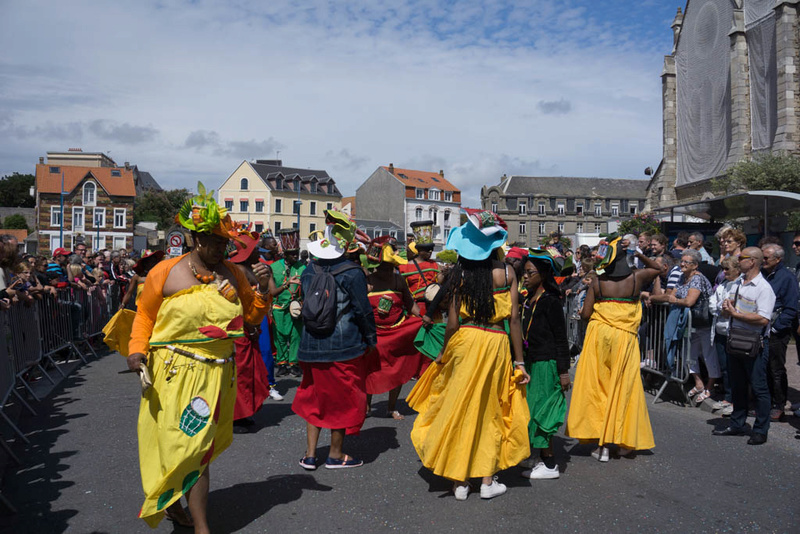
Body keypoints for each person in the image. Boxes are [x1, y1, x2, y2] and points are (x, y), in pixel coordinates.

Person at [126, 184, 271, 531]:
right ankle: (176, 504)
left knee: (199, 447)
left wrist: (263, 290)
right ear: (194, 239)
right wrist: (136, 351)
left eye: (225, 243)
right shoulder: (166, 271)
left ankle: (201, 525)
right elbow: (144, 316)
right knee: (176, 442)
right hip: (173, 372)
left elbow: (251, 317)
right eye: (215, 242)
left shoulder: (233, 273)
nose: (222, 248)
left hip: (217, 374)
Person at [408, 211, 530, 501]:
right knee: (491, 410)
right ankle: (487, 480)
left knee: (459, 406)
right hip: (496, 343)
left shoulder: (460, 275)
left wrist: (442, 352)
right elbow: (514, 319)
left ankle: (459, 480)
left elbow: (452, 323)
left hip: (466, 340)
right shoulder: (508, 272)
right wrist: (520, 360)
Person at [293, 212, 377, 470]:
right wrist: (371, 338)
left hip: (310, 345)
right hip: (344, 346)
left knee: (314, 397)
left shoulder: (309, 271)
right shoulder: (353, 273)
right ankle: (335, 454)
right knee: (341, 399)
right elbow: (363, 310)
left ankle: (309, 455)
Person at [566, 234, 661, 461]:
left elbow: (587, 313)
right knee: (622, 387)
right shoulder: (637, 278)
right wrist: (637, 253)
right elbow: (658, 268)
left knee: (598, 387)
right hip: (624, 338)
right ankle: (622, 441)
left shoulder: (597, 280)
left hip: (599, 335)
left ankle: (601, 444)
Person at [712, 247, 775, 446]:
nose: (738, 260)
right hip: (735, 340)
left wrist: (735, 314)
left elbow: (763, 319)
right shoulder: (737, 283)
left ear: (753, 261)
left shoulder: (763, 288)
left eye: (742, 258)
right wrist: (726, 309)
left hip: (754, 343)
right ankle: (737, 423)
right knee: (737, 385)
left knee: (758, 387)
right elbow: (730, 308)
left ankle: (760, 430)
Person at [519, 249, 570, 480]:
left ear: (543, 274)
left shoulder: (551, 302)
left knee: (543, 414)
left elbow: (561, 338)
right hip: (531, 363)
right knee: (531, 411)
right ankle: (536, 455)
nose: (525, 277)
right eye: (524, 273)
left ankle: (550, 464)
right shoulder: (528, 299)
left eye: (530, 273)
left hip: (546, 365)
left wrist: (563, 372)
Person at [365, 236, 424, 419]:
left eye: (391, 267)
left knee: (398, 370)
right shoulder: (368, 281)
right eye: (385, 267)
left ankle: (391, 407)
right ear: (378, 266)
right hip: (375, 334)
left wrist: (422, 319)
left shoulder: (399, 280)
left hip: (397, 332)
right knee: (371, 370)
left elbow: (410, 304)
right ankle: (366, 406)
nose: (388, 270)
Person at [229, 227, 273, 432]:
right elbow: (234, 304)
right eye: (255, 250)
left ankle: (245, 413)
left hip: (252, 327)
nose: (259, 253)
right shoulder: (235, 271)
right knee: (239, 374)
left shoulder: (249, 268)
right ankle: (236, 417)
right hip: (239, 328)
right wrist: (249, 325)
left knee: (249, 372)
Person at [667, 250, 718, 403]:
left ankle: (711, 386)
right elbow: (673, 293)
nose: (682, 264)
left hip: (703, 323)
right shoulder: (683, 277)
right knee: (690, 355)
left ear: (695, 265)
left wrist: (674, 300)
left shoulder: (697, 279)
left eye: (686, 262)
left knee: (709, 355)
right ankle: (699, 382)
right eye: (681, 261)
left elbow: (689, 301)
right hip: (689, 324)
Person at [761, 244, 797, 421]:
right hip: (760, 328)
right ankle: (765, 403)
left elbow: (791, 307)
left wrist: (777, 327)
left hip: (776, 331)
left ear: (778, 259)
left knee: (776, 369)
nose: (763, 260)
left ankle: (779, 405)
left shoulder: (787, 278)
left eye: (766, 257)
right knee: (763, 367)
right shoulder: (762, 274)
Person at [709, 255, 741, 416]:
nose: (724, 272)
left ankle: (737, 400)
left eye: (727, 269)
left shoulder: (740, 285)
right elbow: (712, 303)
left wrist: (727, 310)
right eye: (723, 269)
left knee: (735, 368)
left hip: (733, 331)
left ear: (737, 269)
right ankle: (728, 397)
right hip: (720, 330)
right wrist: (721, 310)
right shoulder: (723, 285)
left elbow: (736, 307)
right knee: (725, 367)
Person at [271, 229, 305, 378]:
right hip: (279, 308)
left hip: (297, 308)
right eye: (292, 253)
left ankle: (294, 364)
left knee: (296, 336)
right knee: (279, 336)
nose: (296, 255)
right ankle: (282, 363)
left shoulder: (303, 268)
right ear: (284, 254)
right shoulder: (274, 267)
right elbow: (270, 290)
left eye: (297, 252)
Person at [256, 233, 284, 401]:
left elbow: (272, 292)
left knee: (266, 351)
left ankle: (269, 385)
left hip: (261, 315)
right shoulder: (233, 268)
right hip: (240, 317)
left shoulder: (266, 268)